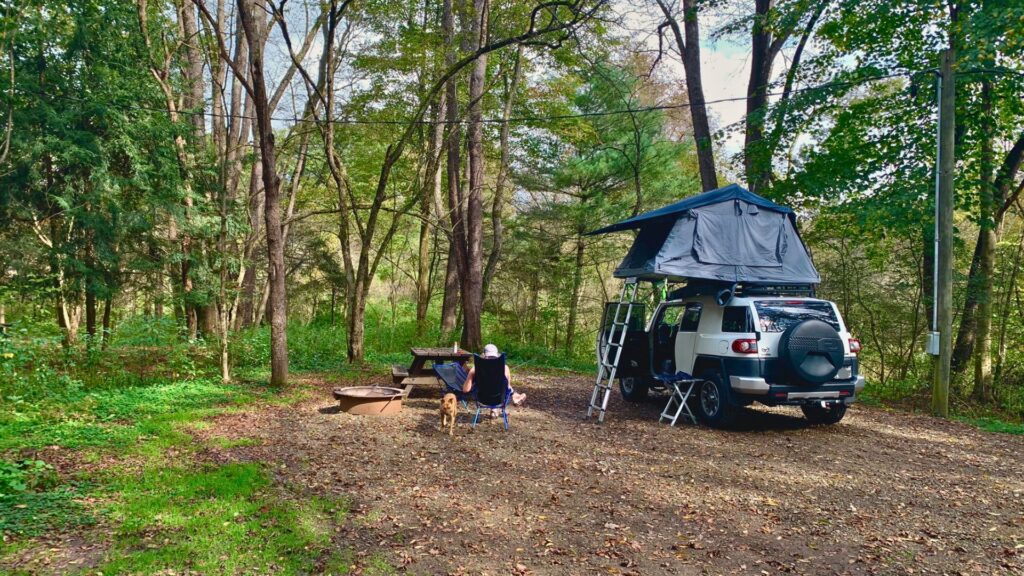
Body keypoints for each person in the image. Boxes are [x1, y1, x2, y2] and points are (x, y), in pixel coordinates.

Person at [462, 343, 526, 408]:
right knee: (502, 387)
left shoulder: (475, 368)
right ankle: (514, 397)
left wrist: (470, 374)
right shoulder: (505, 368)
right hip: (499, 399)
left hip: (482, 399)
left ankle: (495, 409)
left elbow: (465, 390)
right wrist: (513, 393)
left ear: (484, 355)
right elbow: (507, 387)